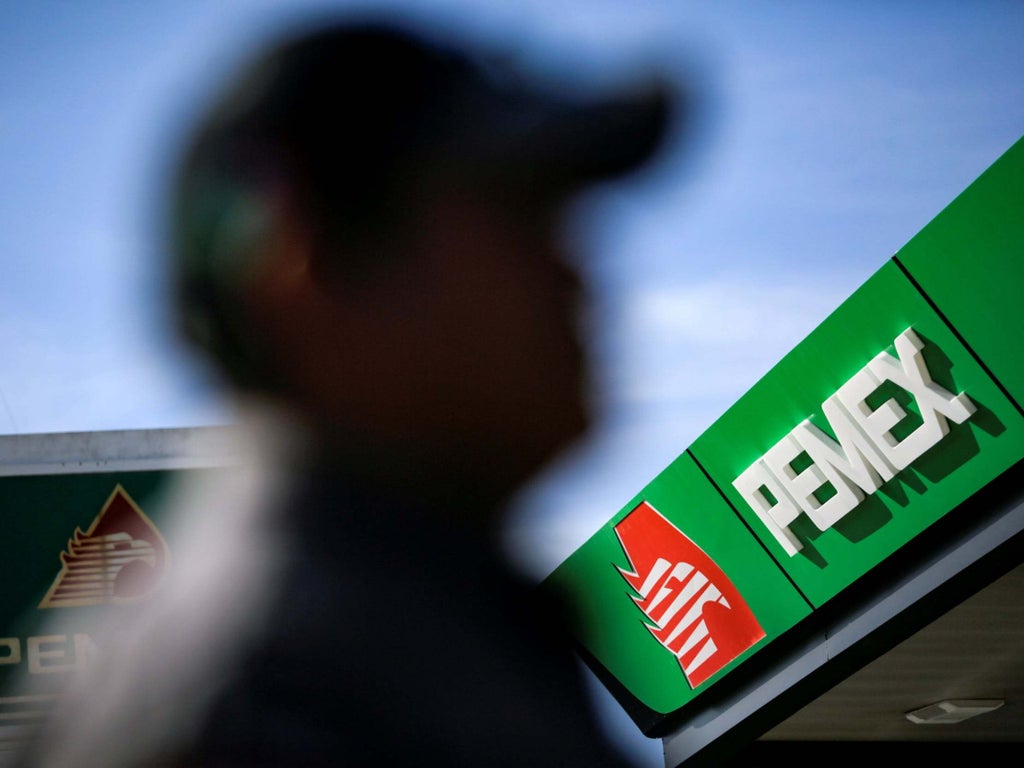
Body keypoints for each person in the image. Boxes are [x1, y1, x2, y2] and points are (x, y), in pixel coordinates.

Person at [16, 14, 679, 767]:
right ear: (315, 269)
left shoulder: (388, 628)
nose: (576, 277)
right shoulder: (289, 698)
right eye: (525, 221)